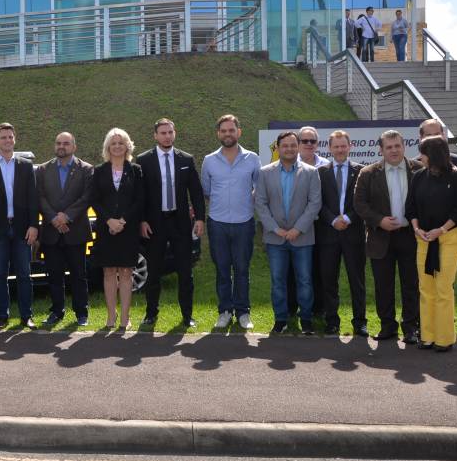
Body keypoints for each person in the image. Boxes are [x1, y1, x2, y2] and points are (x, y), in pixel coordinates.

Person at [353, 130, 422, 343]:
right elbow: (359, 204)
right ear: (381, 150)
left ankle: (411, 328)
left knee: (411, 284)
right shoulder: (368, 173)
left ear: (404, 147)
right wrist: (379, 220)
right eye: (389, 147)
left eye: (397, 146)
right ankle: (387, 327)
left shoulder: (419, 170)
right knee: (383, 285)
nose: (393, 150)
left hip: (410, 237)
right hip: (380, 237)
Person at [136, 118, 205, 329]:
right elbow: (140, 195)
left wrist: (200, 218)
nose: (167, 136)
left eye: (170, 132)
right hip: (155, 224)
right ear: (155, 136)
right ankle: (151, 314)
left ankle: (187, 316)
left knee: (185, 272)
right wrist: (141, 220)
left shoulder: (186, 159)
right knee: (154, 271)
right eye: (163, 133)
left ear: (174, 134)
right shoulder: (143, 160)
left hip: (181, 223)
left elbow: (196, 191)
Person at [405, 136, 457, 352]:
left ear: (433, 155)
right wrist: (417, 229)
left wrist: (441, 230)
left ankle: (444, 338)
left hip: (450, 237)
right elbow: (411, 207)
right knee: (426, 287)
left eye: (423, 152)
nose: (419, 157)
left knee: (443, 287)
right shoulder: (418, 176)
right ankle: (428, 336)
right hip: (424, 238)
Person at [255, 132, 322, 335]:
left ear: (298, 147)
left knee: (304, 279)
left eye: (293, 145)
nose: (290, 149)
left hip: (302, 236)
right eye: (285, 145)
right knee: (278, 280)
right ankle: (280, 319)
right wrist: (275, 229)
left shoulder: (311, 172)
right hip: (275, 237)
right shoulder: (265, 172)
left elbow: (314, 203)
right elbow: (260, 203)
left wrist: (297, 229)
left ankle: (306, 319)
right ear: (278, 147)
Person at [201, 115, 260, 330]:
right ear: (218, 134)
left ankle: (243, 312)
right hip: (217, 223)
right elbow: (206, 191)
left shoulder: (252, 158)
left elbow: (258, 187)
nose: (228, 134)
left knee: (242, 269)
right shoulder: (209, 160)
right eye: (224, 130)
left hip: (244, 222)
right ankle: (224, 311)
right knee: (223, 269)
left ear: (239, 132)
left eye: (231, 130)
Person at [0, 123, 39, 330]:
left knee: (24, 273)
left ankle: (26, 316)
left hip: (23, 229)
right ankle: (2, 316)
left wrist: (34, 225)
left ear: (15, 139)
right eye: (3, 137)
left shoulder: (25, 166)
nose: (7, 140)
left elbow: (33, 198)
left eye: (10, 137)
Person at [37, 132, 94, 327]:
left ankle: (82, 314)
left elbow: (87, 197)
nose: (62, 146)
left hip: (75, 231)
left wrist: (66, 216)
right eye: (58, 143)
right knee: (54, 276)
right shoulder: (43, 169)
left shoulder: (86, 169)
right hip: (51, 232)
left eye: (66, 143)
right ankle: (57, 311)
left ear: (74, 147)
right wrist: (53, 218)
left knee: (79, 275)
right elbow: (40, 198)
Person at [315, 131, 368, 337]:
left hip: (353, 233)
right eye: (336, 146)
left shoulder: (361, 171)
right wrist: (332, 219)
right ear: (329, 148)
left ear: (349, 146)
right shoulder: (321, 173)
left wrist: (347, 218)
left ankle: (360, 322)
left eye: (343, 146)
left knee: (357, 280)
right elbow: (317, 202)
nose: (339, 150)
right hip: (328, 235)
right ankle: (332, 321)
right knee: (329, 280)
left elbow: (363, 202)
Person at [90, 128, 144, 330]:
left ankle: (125, 318)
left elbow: (140, 200)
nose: (117, 146)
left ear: (127, 146)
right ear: (108, 147)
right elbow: (94, 199)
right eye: (113, 143)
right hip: (106, 229)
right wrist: (109, 221)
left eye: (121, 143)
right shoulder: (99, 170)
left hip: (128, 229)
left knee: (126, 271)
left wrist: (122, 220)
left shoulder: (136, 170)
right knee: (110, 271)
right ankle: (111, 317)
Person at [289, 126, 328, 319]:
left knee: (317, 268)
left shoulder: (326, 165)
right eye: (305, 141)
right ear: (298, 143)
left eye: (313, 141)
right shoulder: (288, 164)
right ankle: (291, 307)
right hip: (293, 225)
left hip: (320, 224)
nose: (309, 144)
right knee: (291, 269)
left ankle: (318, 308)